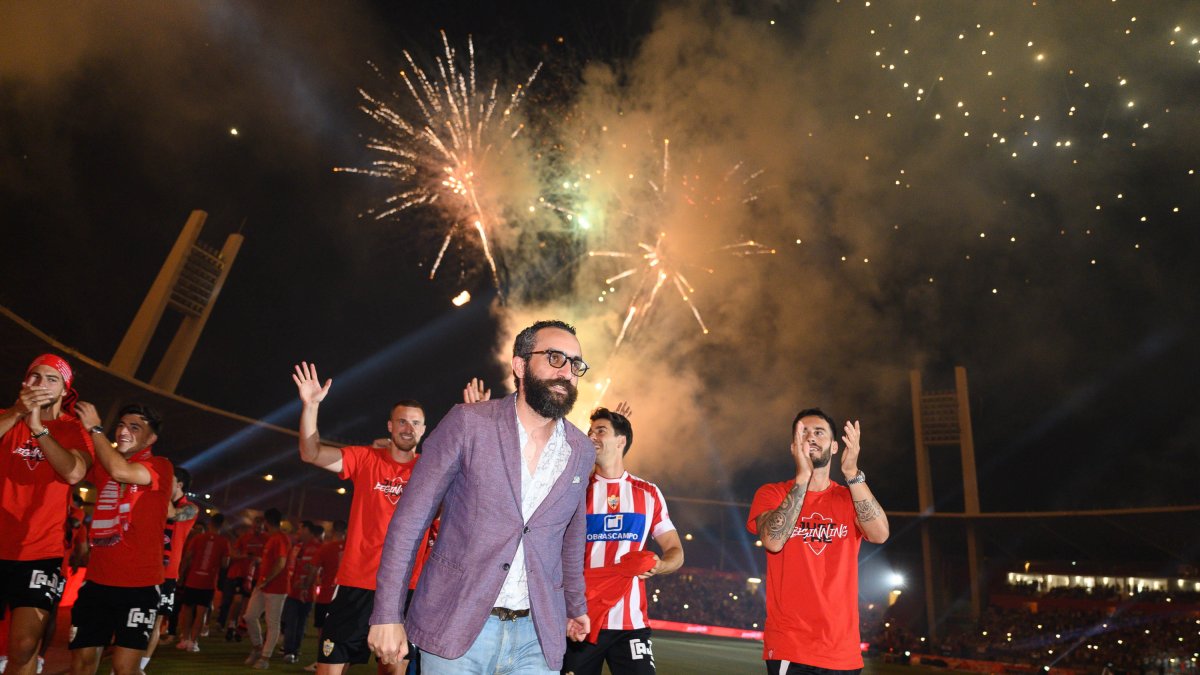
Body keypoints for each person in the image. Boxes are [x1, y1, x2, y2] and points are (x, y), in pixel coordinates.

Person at [368, 319, 597, 674]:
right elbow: (411, 520)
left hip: (537, 635)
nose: (566, 372)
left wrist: (575, 605)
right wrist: (386, 613)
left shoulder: (581, 449)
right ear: (520, 365)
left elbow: (571, 535)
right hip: (457, 623)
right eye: (554, 358)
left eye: (575, 364)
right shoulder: (468, 423)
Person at [291, 361, 426, 674]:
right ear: (389, 426)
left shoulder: (430, 470)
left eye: (416, 423)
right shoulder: (365, 458)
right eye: (402, 421)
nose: (409, 428)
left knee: (393, 670)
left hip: (405, 590)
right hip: (356, 584)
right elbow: (310, 453)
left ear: (424, 429)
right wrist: (310, 406)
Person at [746, 409, 890, 674]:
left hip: (843, 651)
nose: (811, 437)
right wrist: (803, 477)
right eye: (804, 433)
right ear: (793, 447)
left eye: (819, 432)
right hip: (792, 646)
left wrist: (852, 472)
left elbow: (880, 534)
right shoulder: (772, 493)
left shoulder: (849, 498)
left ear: (835, 446)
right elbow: (773, 541)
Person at [561, 407, 684, 675]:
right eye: (590, 431)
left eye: (600, 431)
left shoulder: (648, 493)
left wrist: (660, 565)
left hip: (631, 626)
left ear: (621, 441)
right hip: (582, 620)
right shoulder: (575, 490)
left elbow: (675, 550)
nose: (592, 436)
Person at [0, 355, 93, 675]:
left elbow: (74, 472)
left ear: (65, 390)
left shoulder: (73, 430)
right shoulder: (5, 418)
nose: (40, 384)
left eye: (50, 379)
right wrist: (17, 413)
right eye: (34, 377)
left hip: (40, 551)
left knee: (25, 645)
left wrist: (38, 428)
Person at [70, 402, 173, 675]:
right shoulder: (105, 460)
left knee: (124, 668)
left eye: (135, 427)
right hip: (97, 583)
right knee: (81, 664)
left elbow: (122, 472)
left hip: (138, 586)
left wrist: (95, 428)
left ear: (151, 438)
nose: (124, 432)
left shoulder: (160, 466)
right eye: (121, 425)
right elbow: (75, 468)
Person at [143, 467, 199, 668]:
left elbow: (173, 514)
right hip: (143, 569)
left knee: (155, 622)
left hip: (166, 574)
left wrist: (161, 489)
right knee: (133, 617)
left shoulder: (191, 508)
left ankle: (140, 666)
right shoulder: (156, 501)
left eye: (169, 479)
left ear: (179, 485)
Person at [241, 507, 290, 669]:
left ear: (267, 522)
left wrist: (267, 579)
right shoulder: (272, 538)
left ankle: (265, 657)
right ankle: (257, 647)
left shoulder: (280, 538)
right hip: (263, 585)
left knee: (272, 622)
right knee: (249, 616)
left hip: (276, 587)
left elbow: (281, 562)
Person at [176, 513, 231, 652]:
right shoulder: (224, 542)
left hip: (193, 579)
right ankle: (193, 642)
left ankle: (184, 639)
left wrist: (181, 575)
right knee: (201, 612)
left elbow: (187, 558)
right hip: (208, 581)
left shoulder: (198, 538)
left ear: (210, 523)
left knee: (187, 610)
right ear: (222, 525)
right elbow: (225, 564)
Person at [281, 521, 324, 664]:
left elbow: (318, 570)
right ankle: (289, 650)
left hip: (307, 592)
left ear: (308, 530)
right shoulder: (297, 547)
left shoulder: (318, 548)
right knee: (291, 622)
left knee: (300, 623)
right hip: (293, 591)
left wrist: (307, 584)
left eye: (301, 529)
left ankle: (294, 650)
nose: (298, 531)